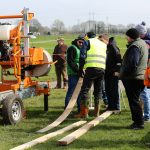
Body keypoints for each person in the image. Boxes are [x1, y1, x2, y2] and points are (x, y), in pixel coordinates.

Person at [119, 28, 148, 129]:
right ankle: (137, 122)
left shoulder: (135, 46)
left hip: (133, 78)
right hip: (140, 77)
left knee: (134, 101)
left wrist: (123, 73)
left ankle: (139, 123)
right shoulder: (142, 43)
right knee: (135, 100)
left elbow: (132, 64)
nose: (126, 38)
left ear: (131, 37)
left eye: (127, 36)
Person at [75, 32, 108, 118]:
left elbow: (82, 57)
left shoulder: (88, 42)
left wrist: (80, 69)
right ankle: (96, 113)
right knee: (98, 91)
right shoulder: (103, 44)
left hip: (91, 68)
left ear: (87, 36)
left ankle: (84, 113)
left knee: (85, 90)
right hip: (102, 69)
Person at [64, 37, 84, 112]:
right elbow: (70, 61)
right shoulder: (72, 48)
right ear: (76, 41)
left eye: (82, 42)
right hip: (73, 73)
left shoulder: (79, 49)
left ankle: (80, 109)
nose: (81, 44)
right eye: (79, 42)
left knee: (79, 92)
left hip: (79, 73)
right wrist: (78, 71)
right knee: (71, 92)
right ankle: (67, 110)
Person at [135, 22, 150, 122]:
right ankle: (144, 114)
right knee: (145, 93)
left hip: (146, 69)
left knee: (144, 93)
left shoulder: (146, 43)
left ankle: (147, 116)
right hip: (146, 68)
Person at [104, 37, 122, 111]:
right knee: (108, 89)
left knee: (113, 90)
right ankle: (110, 106)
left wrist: (117, 70)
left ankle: (116, 106)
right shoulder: (107, 47)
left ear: (106, 40)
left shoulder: (113, 47)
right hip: (107, 72)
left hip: (113, 73)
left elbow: (118, 60)